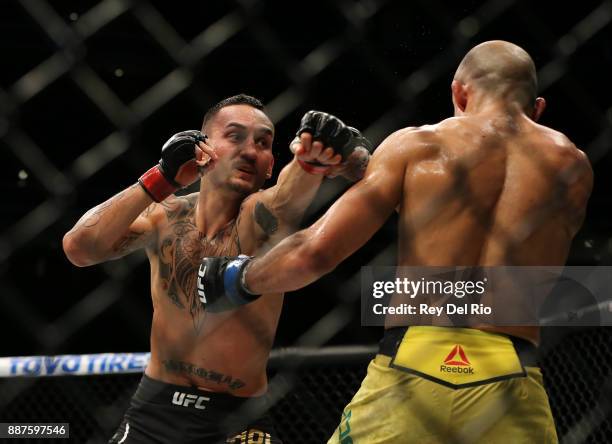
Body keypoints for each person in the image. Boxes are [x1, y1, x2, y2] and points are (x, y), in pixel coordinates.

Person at [198, 42, 594, 443]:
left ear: (459, 93)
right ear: (538, 107)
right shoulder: (571, 166)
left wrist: (238, 278)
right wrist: (361, 167)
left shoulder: (418, 145)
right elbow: (490, 224)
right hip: (513, 377)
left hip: (412, 368)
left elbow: (313, 254)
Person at [62, 94, 372, 443]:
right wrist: (161, 177)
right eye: (235, 136)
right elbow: (80, 248)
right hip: (154, 412)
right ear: (203, 149)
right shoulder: (164, 216)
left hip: (237, 422)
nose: (250, 150)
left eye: (263, 142)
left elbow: (287, 196)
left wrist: (311, 162)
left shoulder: (262, 218)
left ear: (270, 165)